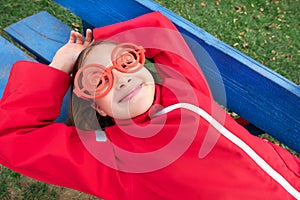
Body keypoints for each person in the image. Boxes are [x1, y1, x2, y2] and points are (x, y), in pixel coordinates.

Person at [0, 11, 299, 200]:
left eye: (125, 63)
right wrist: (58, 67)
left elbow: (159, 29)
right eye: (99, 81)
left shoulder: (183, 88)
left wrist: (98, 46)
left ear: (141, 61)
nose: (120, 79)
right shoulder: (113, 158)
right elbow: (12, 138)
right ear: (99, 109)